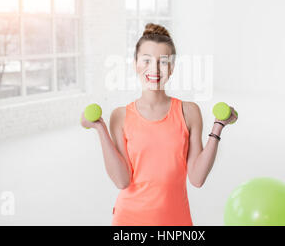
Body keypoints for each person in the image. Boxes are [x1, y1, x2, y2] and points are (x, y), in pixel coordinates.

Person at [81, 23, 237, 225]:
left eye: (163, 62)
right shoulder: (120, 116)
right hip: (130, 220)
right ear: (135, 64)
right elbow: (121, 180)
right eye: (146, 60)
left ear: (171, 68)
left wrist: (218, 126)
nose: (154, 69)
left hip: (176, 221)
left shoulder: (189, 112)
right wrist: (100, 128)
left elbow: (197, 178)